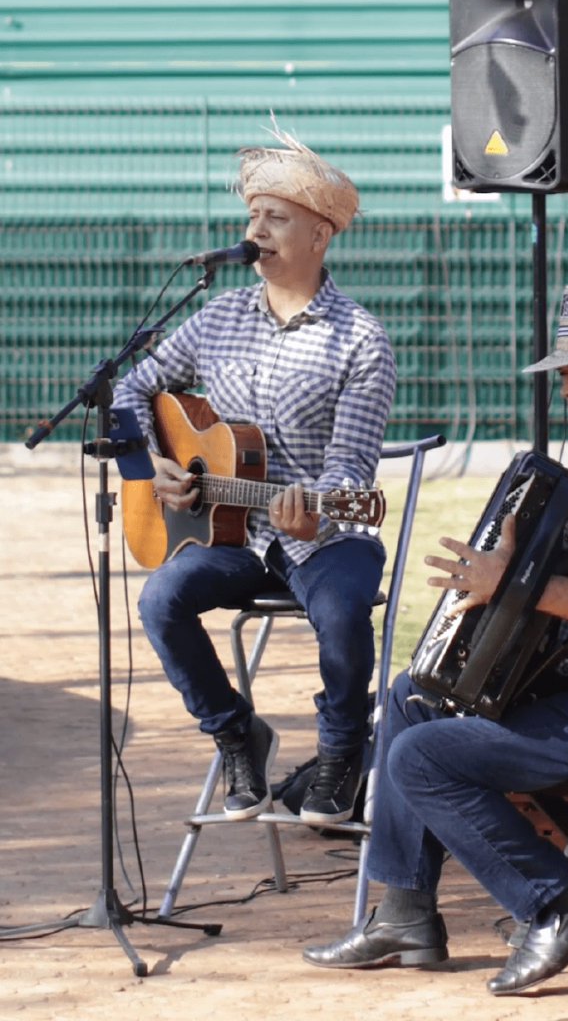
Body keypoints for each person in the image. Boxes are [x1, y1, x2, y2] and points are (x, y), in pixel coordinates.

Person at [302, 280, 568, 995]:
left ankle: (562, 902)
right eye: (564, 373)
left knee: (423, 755)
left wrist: (515, 588)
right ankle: (405, 912)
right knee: (414, 697)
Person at [112, 127, 397, 826]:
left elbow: (350, 470)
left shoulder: (360, 339)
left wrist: (321, 513)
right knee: (161, 601)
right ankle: (236, 732)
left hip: (322, 535)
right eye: (252, 216)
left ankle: (340, 751)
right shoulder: (216, 318)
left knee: (339, 611)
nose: (255, 230)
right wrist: (150, 464)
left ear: (320, 233)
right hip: (230, 537)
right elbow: (127, 392)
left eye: (276, 218)